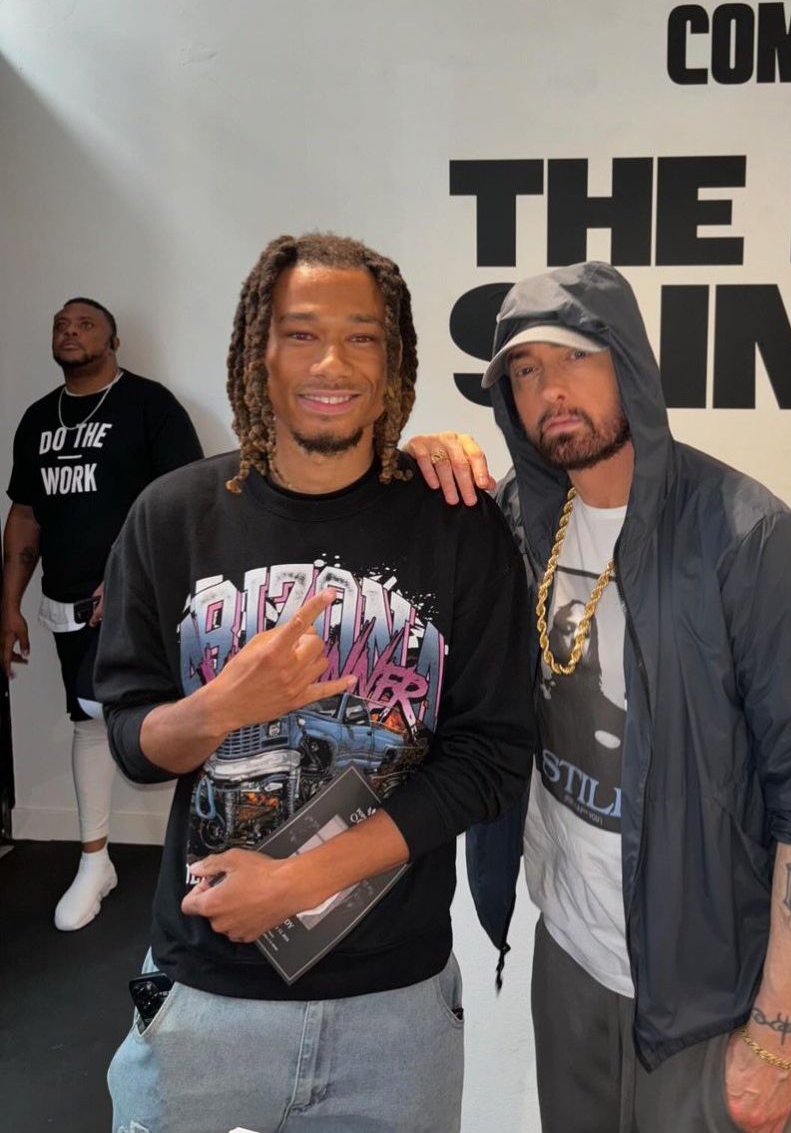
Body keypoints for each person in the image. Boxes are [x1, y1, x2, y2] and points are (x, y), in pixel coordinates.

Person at [406, 261, 791, 1133]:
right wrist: (412, 465)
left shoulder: (746, 538)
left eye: (575, 358)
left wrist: (778, 1035)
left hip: (708, 987)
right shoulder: (516, 521)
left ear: (627, 361)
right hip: (569, 949)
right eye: (525, 370)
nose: (551, 390)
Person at [94, 233, 534, 1133]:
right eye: (301, 334)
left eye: (362, 336)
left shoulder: (457, 524)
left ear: (394, 358)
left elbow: (490, 758)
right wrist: (222, 707)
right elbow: (134, 743)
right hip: (206, 992)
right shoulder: (171, 517)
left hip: (395, 1012)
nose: (332, 363)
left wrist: (298, 881)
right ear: (258, 351)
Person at [1, 297, 202, 930]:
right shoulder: (39, 418)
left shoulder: (149, 405)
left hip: (135, 597)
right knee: (88, 721)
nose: (70, 331)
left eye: (85, 324)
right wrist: (8, 604)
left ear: (113, 341)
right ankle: (95, 860)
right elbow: (25, 515)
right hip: (64, 599)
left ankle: (202, 849)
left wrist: (130, 578)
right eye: (60, 324)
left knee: (127, 712)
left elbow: (185, 501)